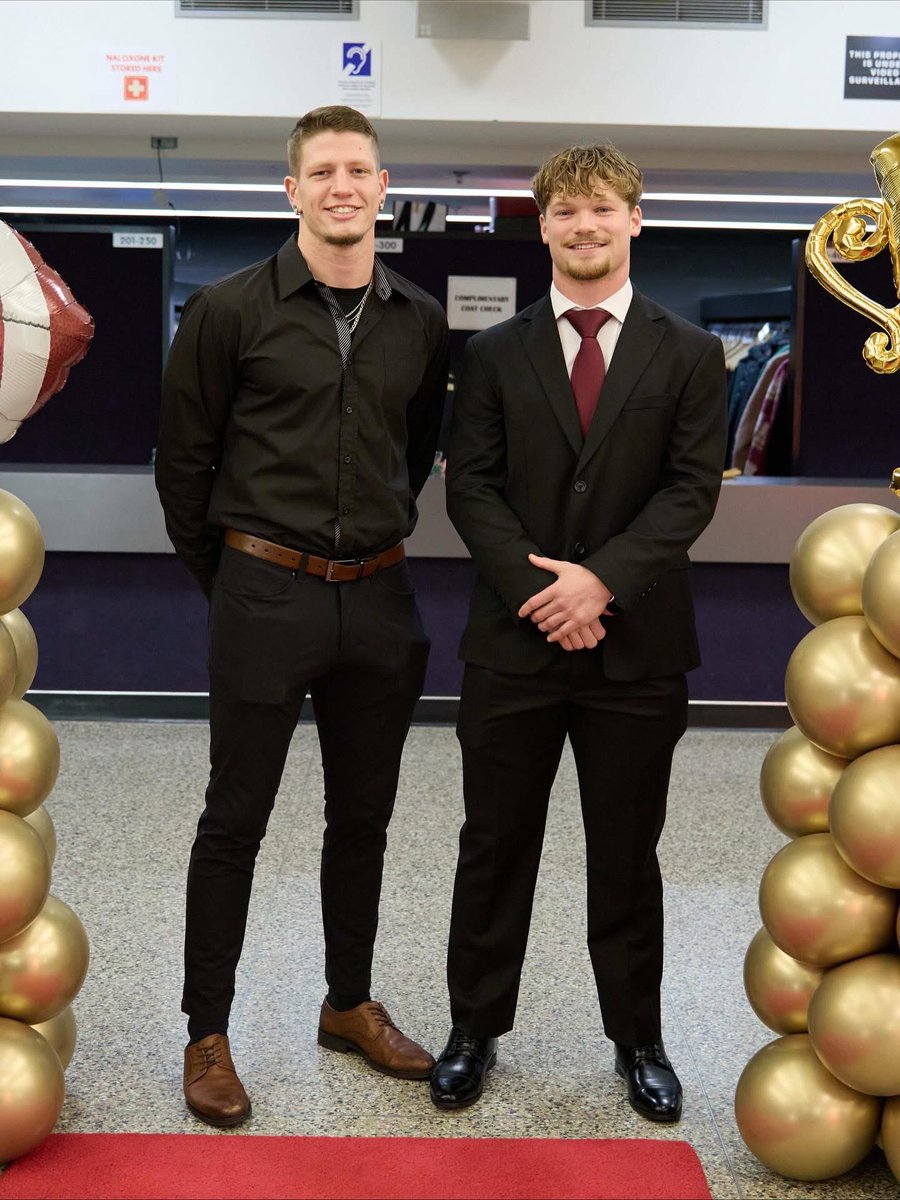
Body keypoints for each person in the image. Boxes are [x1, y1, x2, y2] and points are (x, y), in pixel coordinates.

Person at [155, 105, 449, 1128]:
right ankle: (206, 1030)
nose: (341, 186)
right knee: (234, 820)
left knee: (362, 819)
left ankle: (347, 1002)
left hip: (380, 597)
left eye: (357, 170)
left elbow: (417, 449)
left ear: (382, 187)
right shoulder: (228, 311)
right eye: (321, 171)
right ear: (292, 190)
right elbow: (183, 468)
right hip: (264, 590)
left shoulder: (419, 320)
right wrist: (238, 581)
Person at [430, 144, 727, 1121]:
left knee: (627, 852)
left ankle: (638, 1039)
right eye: (565, 211)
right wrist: (543, 592)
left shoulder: (690, 353)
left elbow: (690, 492)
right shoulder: (493, 353)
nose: (584, 225)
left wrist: (601, 584)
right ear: (545, 227)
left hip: (637, 650)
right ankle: (473, 1029)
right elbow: (471, 488)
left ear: (634, 219)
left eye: (602, 208)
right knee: (493, 844)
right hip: (513, 645)